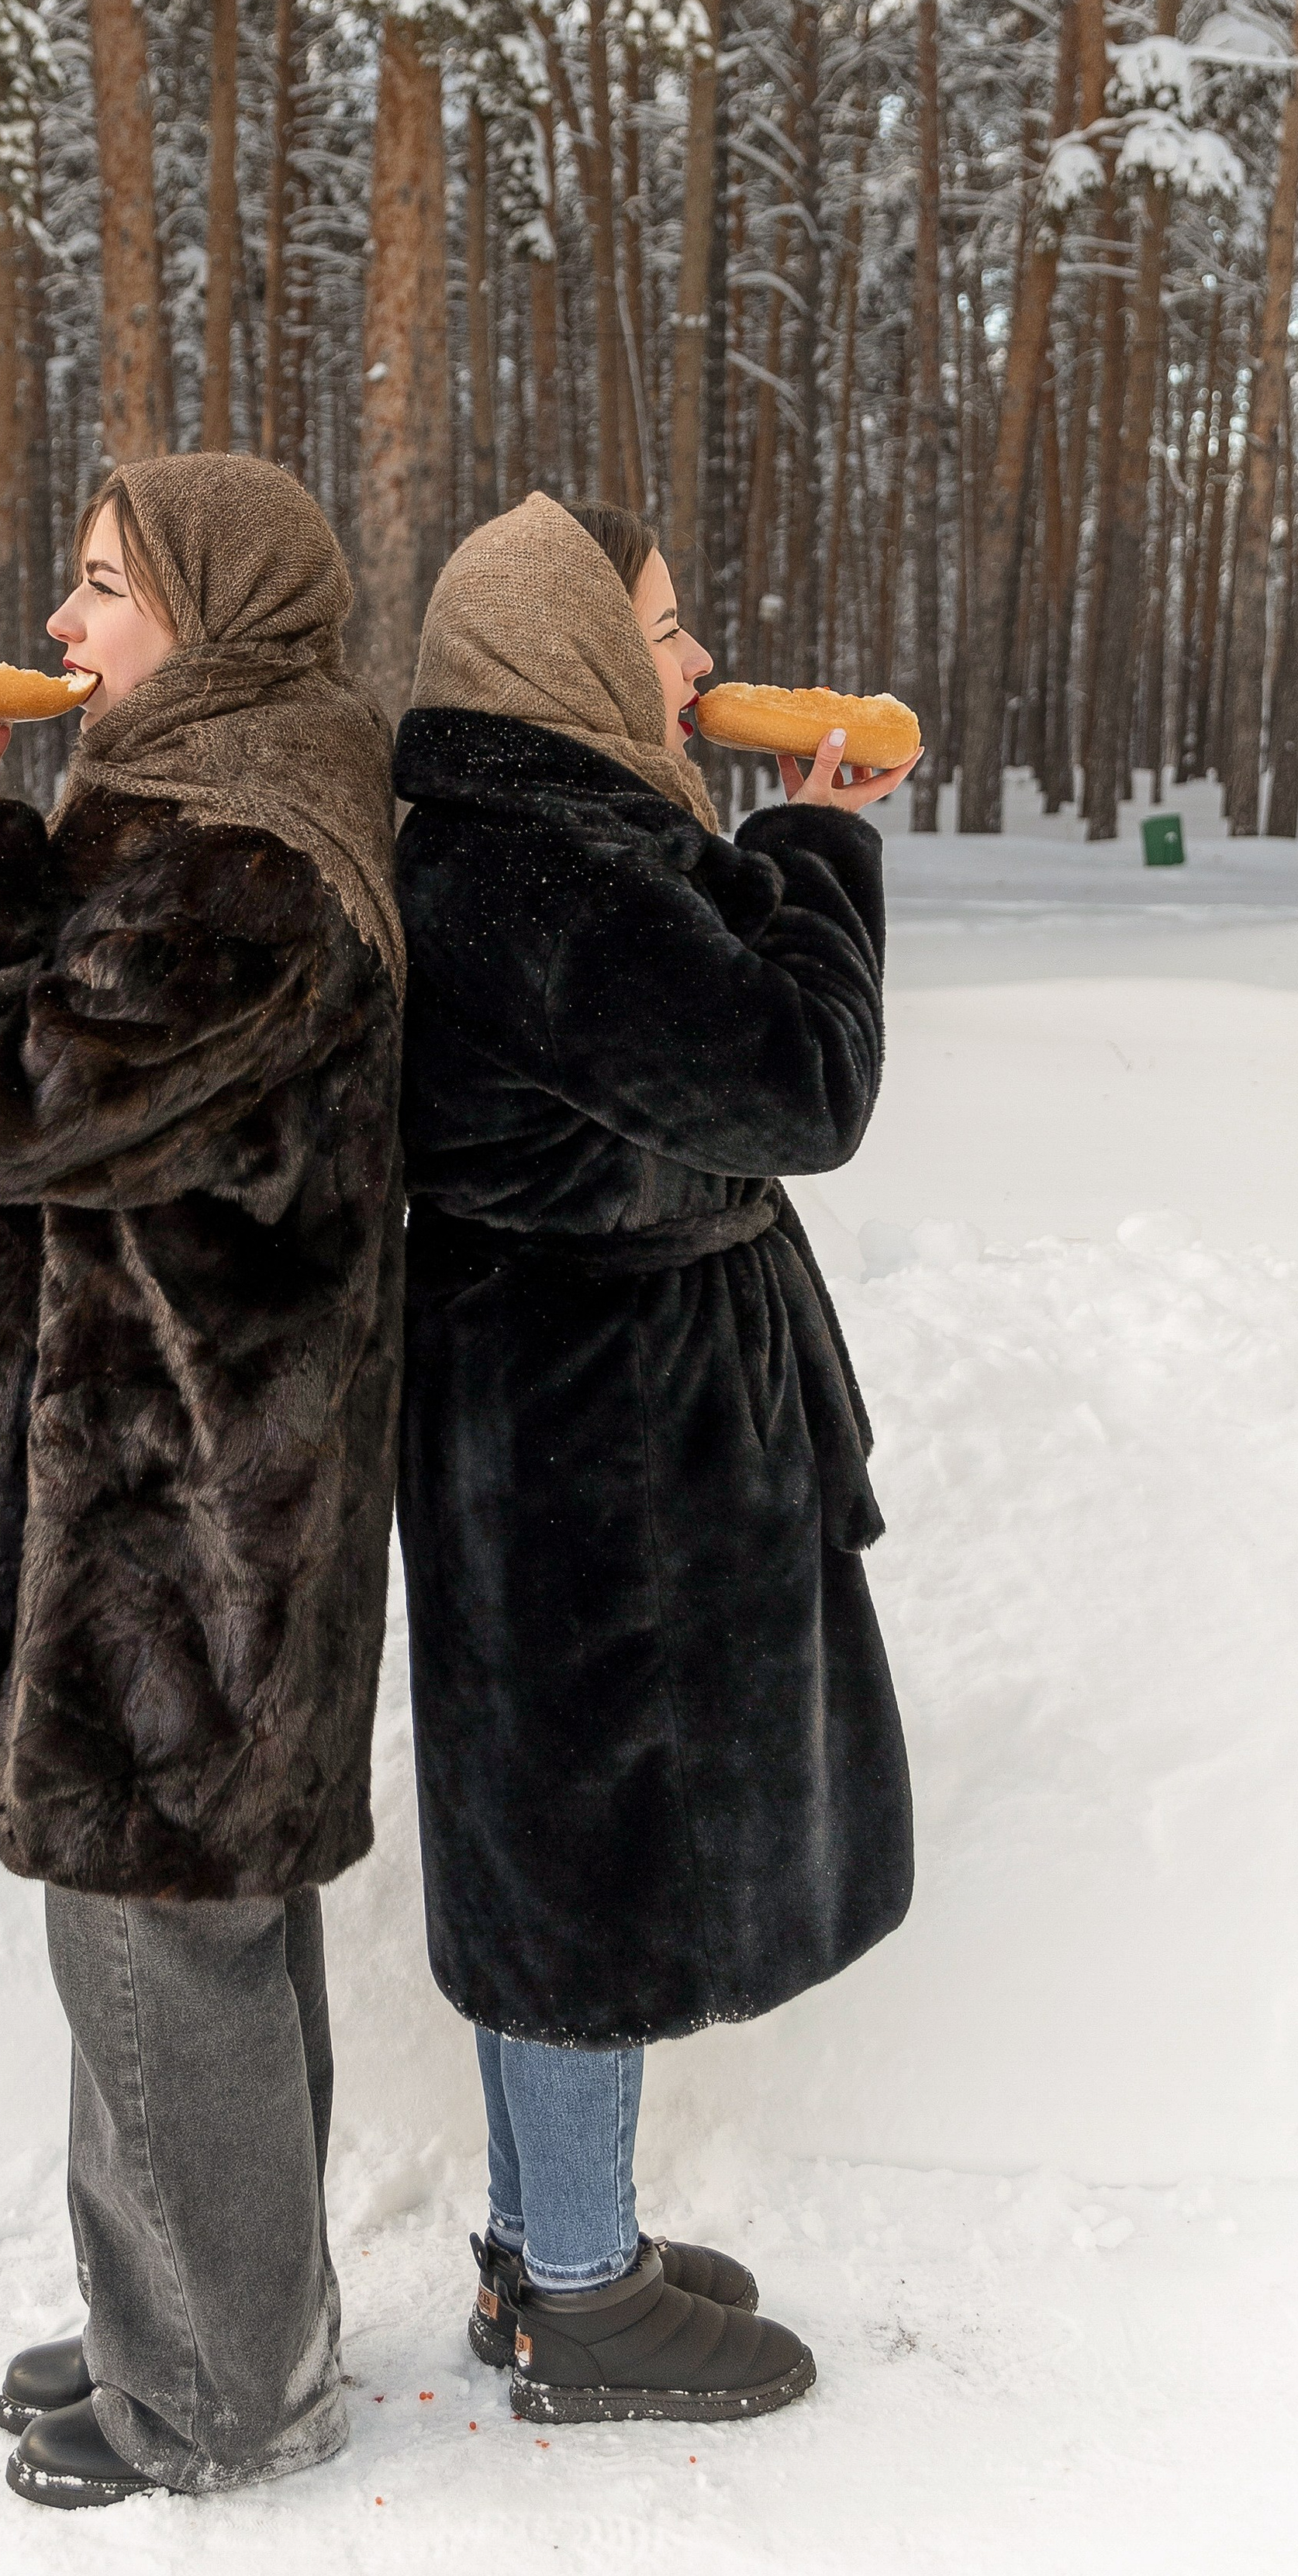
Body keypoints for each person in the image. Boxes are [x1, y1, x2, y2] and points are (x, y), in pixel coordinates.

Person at [0, 454, 405, 2511]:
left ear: (213, 622)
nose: (59, 624)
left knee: (161, 1945)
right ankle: (211, 2322)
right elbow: (76, 1041)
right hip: (178, 1496)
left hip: (185, 1519)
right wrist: (11, 836)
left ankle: (220, 2394)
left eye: (106, 586)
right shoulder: (212, 822)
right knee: (194, 1932)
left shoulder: (252, 871)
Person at [392, 489, 916, 2429]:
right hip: (585, 1441)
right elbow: (797, 1086)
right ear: (574, 650)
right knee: (578, 1865)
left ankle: (550, 2251)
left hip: (556, 1413)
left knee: (560, 1847)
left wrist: (760, 845)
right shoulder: (545, 876)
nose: (697, 661)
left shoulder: (541, 843)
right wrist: (826, 847)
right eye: (666, 628)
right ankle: (584, 2293)